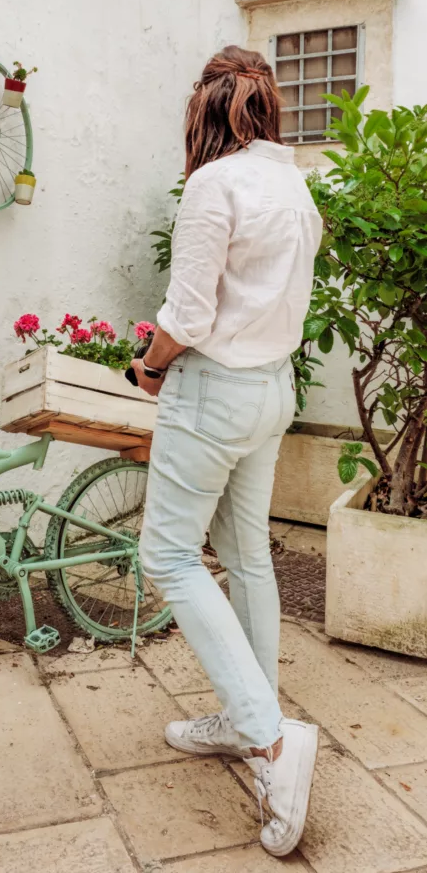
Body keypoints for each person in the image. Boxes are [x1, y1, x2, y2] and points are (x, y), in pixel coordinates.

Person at [130, 45, 323, 857]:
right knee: (246, 558)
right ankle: (252, 719)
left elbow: (186, 313)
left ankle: (269, 738)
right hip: (271, 391)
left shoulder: (214, 184)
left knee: (167, 557)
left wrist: (147, 363)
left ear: (202, 109)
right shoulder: (293, 183)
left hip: (212, 392)